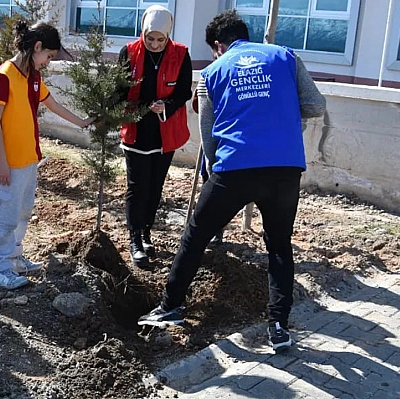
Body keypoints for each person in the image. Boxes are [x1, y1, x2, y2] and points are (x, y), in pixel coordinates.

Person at [138, 9, 326, 353]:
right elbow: (315, 105)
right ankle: (279, 327)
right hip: (285, 168)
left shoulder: (212, 73)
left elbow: (208, 136)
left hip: (235, 167)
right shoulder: (285, 56)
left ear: (217, 46)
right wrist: (277, 112)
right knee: (279, 246)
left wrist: (212, 170)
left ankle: (171, 307)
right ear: (247, 36)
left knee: (195, 235)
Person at [0, 21, 93, 290]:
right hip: (10, 162)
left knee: (23, 212)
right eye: (48, 56)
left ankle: (15, 257)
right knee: (7, 215)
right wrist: (1, 161)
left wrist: (81, 122)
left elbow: (52, 104)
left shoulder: (33, 76)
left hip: (30, 158)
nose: (48, 62)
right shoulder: (5, 75)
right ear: (37, 47)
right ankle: (2, 268)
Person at [118, 5, 192, 267]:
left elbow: (184, 91)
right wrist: (141, 108)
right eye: (150, 38)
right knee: (137, 187)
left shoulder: (181, 54)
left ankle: (147, 231)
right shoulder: (129, 52)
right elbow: (119, 92)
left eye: (160, 39)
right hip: (137, 129)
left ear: (168, 36)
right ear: (143, 32)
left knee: (155, 187)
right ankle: (135, 238)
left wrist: (166, 106)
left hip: (165, 131)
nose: (155, 44)